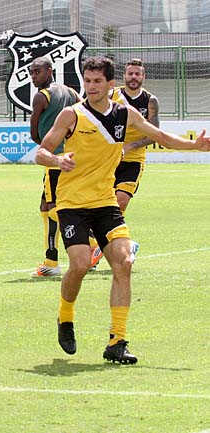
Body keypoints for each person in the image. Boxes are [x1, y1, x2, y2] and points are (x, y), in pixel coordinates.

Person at [35, 56, 210, 364]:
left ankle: (117, 340)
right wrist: (57, 160)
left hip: (104, 203)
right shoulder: (70, 115)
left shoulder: (123, 114)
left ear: (109, 84)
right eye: (87, 81)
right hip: (73, 203)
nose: (91, 87)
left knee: (124, 262)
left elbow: (160, 137)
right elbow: (41, 152)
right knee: (79, 265)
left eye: (97, 81)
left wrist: (194, 145)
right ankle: (65, 318)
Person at [90, 58, 157, 268]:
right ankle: (124, 245)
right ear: (124, 76)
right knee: (100, 204)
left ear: (143, 77)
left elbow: (154, 134)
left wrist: (130, 146)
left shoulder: (150, 100)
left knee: (120, 202)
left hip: (133, 160)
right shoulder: (112, 95)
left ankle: (104, 246)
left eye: (138, 74)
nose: (133, 77)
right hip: (109, 158)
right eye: (130, 73)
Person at [28, 57, 81, 278]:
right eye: (31, 72)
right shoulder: (70, 91)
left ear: (50, 71)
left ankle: (95, 241)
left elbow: (34, 134)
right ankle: (51, 257)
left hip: (53, 159)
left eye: (37, 72)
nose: (33, 76)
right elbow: (83, 109)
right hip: (71, 156)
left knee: (53, 207)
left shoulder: (41, 96)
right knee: (45, 205)